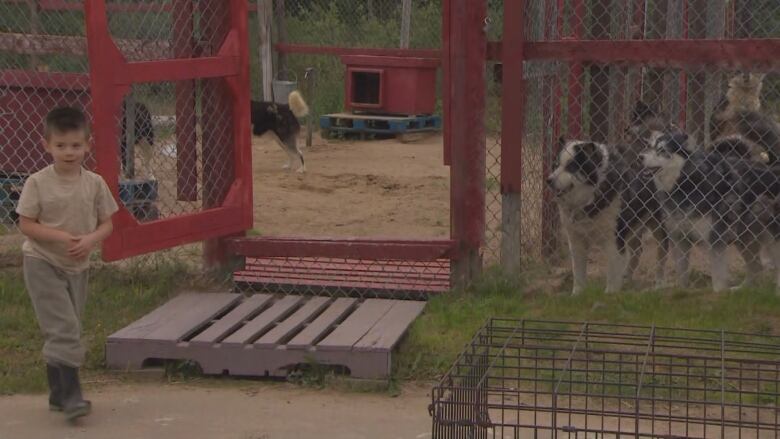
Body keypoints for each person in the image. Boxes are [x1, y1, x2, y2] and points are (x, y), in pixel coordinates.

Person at [16, 106, 119, 422]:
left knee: (66, 324)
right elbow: (26, 224)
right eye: (60, 146)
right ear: (46, 145)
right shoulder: (37, 182)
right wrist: (59, 237)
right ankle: (73, 395)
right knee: (65, 328)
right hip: (42, 261)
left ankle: (57, 393)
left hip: (78, 265)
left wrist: (91, 240)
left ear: (88, 144)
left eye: (76, 145)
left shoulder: (95, 183)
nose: (69, 152)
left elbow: (107, 224)